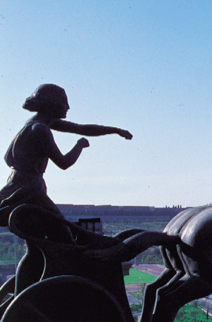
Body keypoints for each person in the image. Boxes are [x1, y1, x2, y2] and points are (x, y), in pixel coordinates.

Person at [0, 84, 132, 227]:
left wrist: (116, 130)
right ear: (52, 105)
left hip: (24, 182)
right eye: (64, 102)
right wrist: (79, 145)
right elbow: (64, 163)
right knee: (60, 227)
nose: (68, 107)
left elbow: (82, 128)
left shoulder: (37, 123)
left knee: (39, 228)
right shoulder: (40, 129)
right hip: (29, 186)